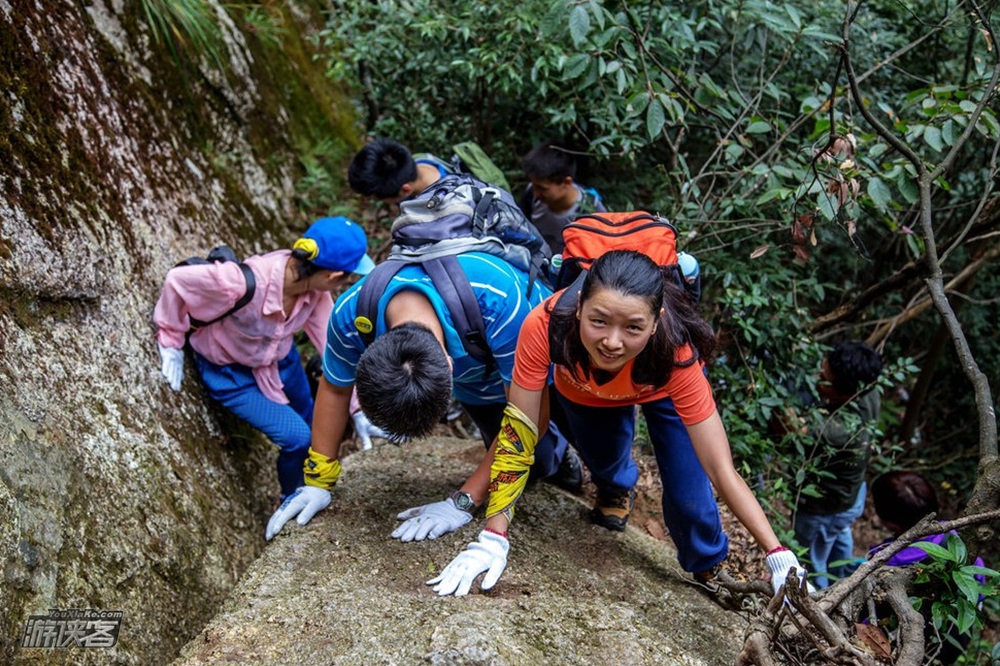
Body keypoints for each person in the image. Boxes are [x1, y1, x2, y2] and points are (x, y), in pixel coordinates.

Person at [427, 250, 809, 598]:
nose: (612, 341)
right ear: (578, 308)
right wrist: (493, 536)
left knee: (691, 499)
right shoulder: (544, 326)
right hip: (585, 387)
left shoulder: (676, 351)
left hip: (658, 386)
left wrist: (777, 553)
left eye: (632, 327)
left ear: (656, 322)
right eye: (599, 321)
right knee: (605, 462)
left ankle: (709, 565)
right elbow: (520, 433)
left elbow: (720, 468)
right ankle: (616, 487)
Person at [264, 249, 584, 542]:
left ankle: (567, 457)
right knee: (522, 463)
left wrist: (462, 501)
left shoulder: (499, 298)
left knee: (537, 458)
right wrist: (319, 480)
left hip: (544, 355)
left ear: (448, 365)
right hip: (477, 378)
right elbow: (334, 388)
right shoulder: (350, 319)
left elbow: (529, 420)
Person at [153, 217, 375, 501]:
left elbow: (333, 346)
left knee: (311, 415)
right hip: (232, 376)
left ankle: (303, 484)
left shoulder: (314, 294)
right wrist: (171, 338)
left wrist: (358, 407)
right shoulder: (241, 282)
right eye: (348, 276)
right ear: (333, 276)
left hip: (280, 363)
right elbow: (177, 280)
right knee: (299, 438)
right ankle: (290, 499)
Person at [868, 470, 987, 664]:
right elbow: (978, 592)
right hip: (955, 636)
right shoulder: (956, 538)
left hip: (909, 644)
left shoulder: (885, 561)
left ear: (890, 523)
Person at [791, 341, 883, 589]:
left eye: (823, 376)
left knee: (812, 561)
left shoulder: (836, 431)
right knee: (838, 539)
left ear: (843, 392)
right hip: (850, 499)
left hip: (823, 508)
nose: (816, 378)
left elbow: (787, 424)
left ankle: (825, 599)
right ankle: (846, 580)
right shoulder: (868, 390)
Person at [518, 140, 606, 255]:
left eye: (542, 189)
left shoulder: (591, 209)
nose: (536, 193)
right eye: (534, 186)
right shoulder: (531, 197)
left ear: (566, 182)